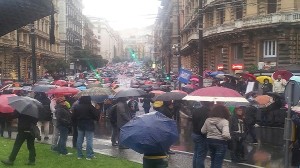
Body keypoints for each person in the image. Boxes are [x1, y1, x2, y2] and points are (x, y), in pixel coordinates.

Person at [191, 101, 212, 168]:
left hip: (195, 133)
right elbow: (203, 127)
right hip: (202, 136)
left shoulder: (196, 110)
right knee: (200, 156)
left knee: (196, 153)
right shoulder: (207, 112)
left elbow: (193, 121)